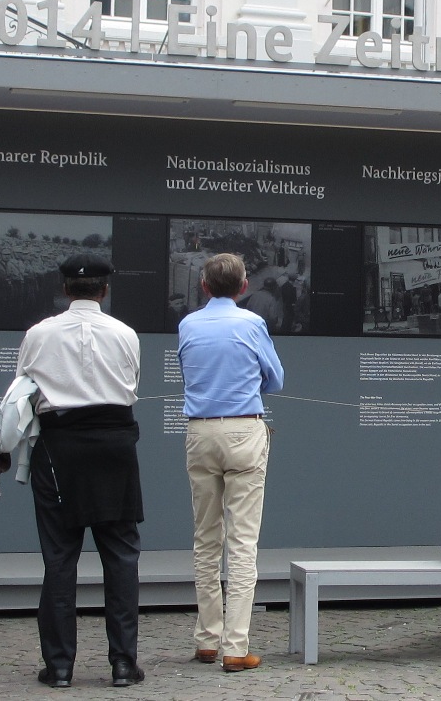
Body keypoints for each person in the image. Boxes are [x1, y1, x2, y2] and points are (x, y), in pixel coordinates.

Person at [16, 252, 145, 688]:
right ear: (104, 290)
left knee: (59, 557)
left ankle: (59, 667)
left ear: (65, 288)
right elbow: (131, 386)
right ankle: (124, 664)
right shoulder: (126, 334)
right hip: (114, 447)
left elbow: (24, 390)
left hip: (59, 450)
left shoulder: (38, 335)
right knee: (122, 557)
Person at [177, 252, 285, 672]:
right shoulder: (252, 323)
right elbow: (276, 379)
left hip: (200, 430)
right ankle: (235, 647)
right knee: (242, 542)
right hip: (243, 429)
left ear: (204, 286)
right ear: (244, 288)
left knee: (205, 537)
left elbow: (190, 374)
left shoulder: (187, 324)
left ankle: (207, 639)